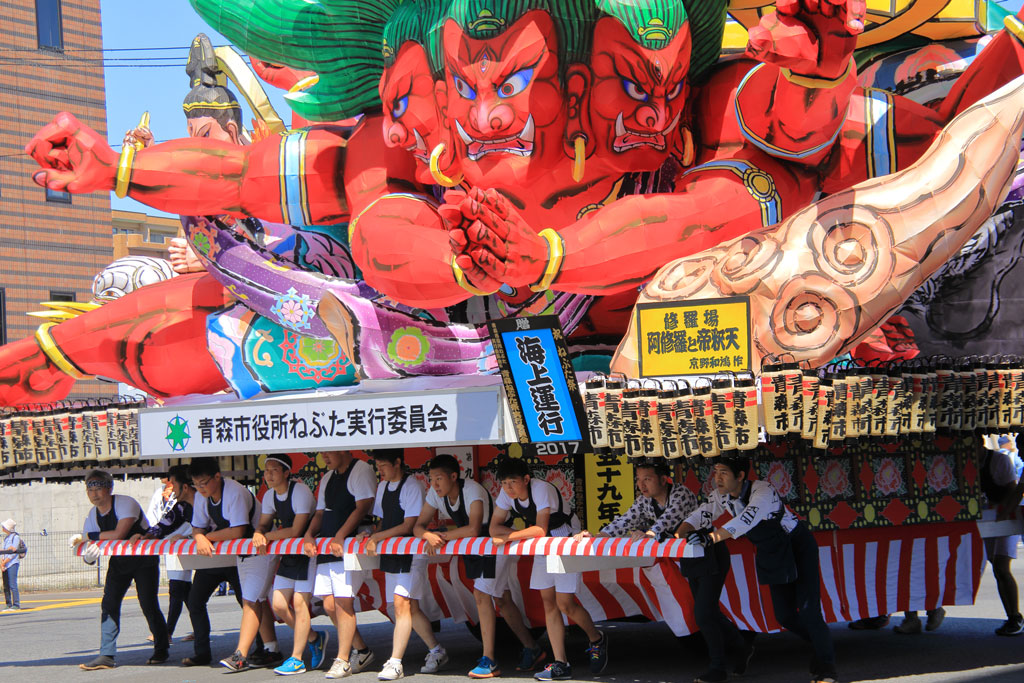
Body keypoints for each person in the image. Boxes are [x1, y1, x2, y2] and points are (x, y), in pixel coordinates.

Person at [678, 456, 836, 683]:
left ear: (740, 476)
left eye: (723, 472)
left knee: (809, 611)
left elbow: (743, 521)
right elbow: (702, 513)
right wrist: (682, 533)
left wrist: (710, 538)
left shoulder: (763, 491)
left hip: (798, 546)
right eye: (715, 472)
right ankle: (821, 644)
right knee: (785, 615)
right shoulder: (721, 496)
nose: (717, 478)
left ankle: (827, 668)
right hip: (772, 551)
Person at [413, 453, 542, 678]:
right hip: (473, 548)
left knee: (481, 594)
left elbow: (474, 529)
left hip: (496, 544)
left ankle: (489, 659)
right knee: (501, 598)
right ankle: (532, 647)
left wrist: (442, 537)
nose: (434, 484)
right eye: (431, 479)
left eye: (439, 478)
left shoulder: (471, 490)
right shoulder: (435, 493)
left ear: (454, 476)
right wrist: (426, 535)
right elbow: (418, 526)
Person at [490, 458, 607, 682]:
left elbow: (540, 529)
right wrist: (505, 535)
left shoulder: (542, 489)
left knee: (565, 604)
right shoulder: (506, 495)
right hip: (542, 547)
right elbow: (494, 526)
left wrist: (508, 537)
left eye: (512, 482)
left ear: (526, 479)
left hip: (564, 540)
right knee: (548, 603)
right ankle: (561, 663)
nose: (508, 488)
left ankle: (597, 639)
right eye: (504, 483)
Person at [363, 448, 448, 681]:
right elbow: (383, 522)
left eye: (383, 466)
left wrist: (378, 538)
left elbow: (409, 525)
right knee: (407, 608)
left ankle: (395, 662)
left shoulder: (413, 486)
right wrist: (370, 534)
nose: (379, 471)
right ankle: (436, 650)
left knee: (402, 604)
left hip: (410, 554)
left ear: (398, 463)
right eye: (377, 466)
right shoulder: (382, 487)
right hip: (391, 554)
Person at [185, 458, 278, 668]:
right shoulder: (202, 496)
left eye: (204, 483)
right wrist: (199, 537)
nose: (200, 489)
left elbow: (237, 531)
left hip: (261, 549)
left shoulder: (234, 492)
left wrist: (206, 537)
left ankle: (240, 655)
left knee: (250, 601)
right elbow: (197, 528)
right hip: (242, 554)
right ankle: (272, 649)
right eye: (196, 484)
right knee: (259, 599)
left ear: (217, 476)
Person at [78, 470, 169, 671]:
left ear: (109, 488)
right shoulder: (92, 515)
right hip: (120, 561)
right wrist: (89, 556)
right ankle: (106, 654)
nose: (94, 494)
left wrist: (90, 536)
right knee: (109, 602)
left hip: (144, 559)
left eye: (98, 488)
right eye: (89, 489)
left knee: (148, 602)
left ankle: (161, 647)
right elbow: (87, 551)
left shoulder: (125, 503)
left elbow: (119, 533)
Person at [305, 450, 377, 679]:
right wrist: (308, 534)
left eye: (328, 452)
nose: (324, 457)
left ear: (343, 448)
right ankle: (363, 650)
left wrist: (341, 535)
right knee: (328, 605)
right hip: (327, 546)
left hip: (349, 544)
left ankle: (343, 659)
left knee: (343, 603)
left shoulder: (361, 469)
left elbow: (363, 506)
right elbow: (319, 513)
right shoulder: (327, 478)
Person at [251, 454, 325, 675]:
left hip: (307, 552)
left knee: (301, 604)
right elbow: (264, 523)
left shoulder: (300, 492)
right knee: (279, 605)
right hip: (289, 553)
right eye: (266, 471)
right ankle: (314, 637)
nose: (269, 475)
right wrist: (258, 533)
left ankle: (297, 658)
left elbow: (296, 531)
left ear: (286, 473)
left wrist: (269, 536)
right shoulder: (270, 496)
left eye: (274, 470)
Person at [131, 465, 196, 643]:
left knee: (179, 589)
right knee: (185, 591)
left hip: (192, 544)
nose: (169, 485)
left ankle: (168, 631)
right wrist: (147, 536)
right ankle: (193, 630)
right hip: (171, 544)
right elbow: (162, 522)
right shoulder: (171, 500)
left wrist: (189, 535)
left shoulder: (200, 499)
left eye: (172, 482)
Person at [981, 443, 1023, 636]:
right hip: (990, 518)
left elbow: (1014, 489)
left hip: (1006, 517)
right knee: (997, 567)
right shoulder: (967, 462)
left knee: (1001, 567)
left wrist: (1005, 510)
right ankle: (1012, 616)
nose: (1019, 452)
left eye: (1022, 447)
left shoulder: (1000, 460)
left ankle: (1015, 617)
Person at [1, 518, 23, 612]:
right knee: (6, 585)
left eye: (4, 526)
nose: (2, 528)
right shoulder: (6, 538)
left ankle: (16, 604)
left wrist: (4, 562)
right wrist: (2, 563)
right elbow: (2, 551)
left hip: (12, 563)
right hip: (5, 563)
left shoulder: (15, 537)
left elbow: (13, 552)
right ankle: (8, 604)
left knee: (12, 584)